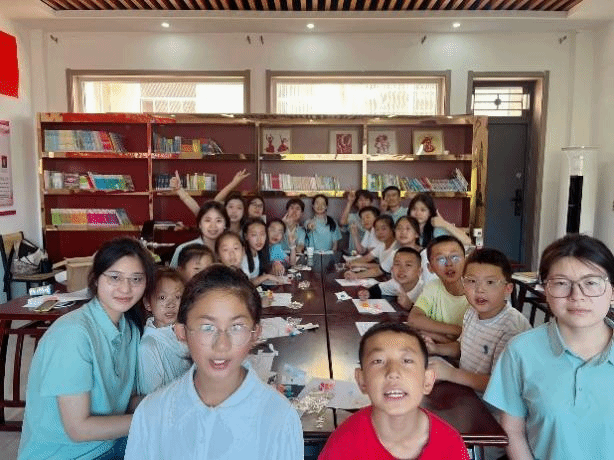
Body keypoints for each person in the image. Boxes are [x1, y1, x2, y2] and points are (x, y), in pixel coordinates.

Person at [125, 264, 303, 459]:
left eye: (236, 327)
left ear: (255, 334)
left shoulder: (280, 417)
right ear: (182, 332)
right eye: (207, 327)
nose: (222, 345)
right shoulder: (151, 415)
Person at [18, 237, 156, 460]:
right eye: (114, 277)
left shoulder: (129, 329)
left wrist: (171, 403)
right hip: (68, 455)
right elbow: (79, 429)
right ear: (95, 278)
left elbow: (125, 401)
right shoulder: (73, 335)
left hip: (109, 443)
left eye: (136, 279)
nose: (125, 288)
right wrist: (155, 420)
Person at [484, 234, 614, 460]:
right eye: (561, 283)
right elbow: (513, 430)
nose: (577, 296)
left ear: (612, 291)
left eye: (591, 283)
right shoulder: (521, 351)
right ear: (545, 290)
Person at [318, 322, 469, 460]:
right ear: (361, 380)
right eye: (378, 361)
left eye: (407, 361)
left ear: (428, 380)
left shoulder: (451, 444)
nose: (393, 372)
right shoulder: (342, 445)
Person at [426, 248, 531, 393]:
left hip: (490, 404)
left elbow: (500, 385)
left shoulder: (511, 328)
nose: (480, 289)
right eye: (472, 281)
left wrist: (451, 373)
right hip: (467, 391)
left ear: (508, 289)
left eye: (490, 282)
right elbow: (463, 347)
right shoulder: (471, 312)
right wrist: (436, 349)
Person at [138, 267, 191, 395]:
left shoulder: (188, 329)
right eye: (162, 297)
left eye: (178, 297)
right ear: (148, 303)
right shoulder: (148, 345)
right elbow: (152, 395)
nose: (171, 304)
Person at [407, 235, 470, 343]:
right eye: (441, 259)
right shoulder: (433, 287)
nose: (449, 264)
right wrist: (458, 330)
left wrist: (431, 332)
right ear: (430, 268)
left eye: (455, 257)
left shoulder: (476, 293)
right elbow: (414, 319)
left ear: (466, 261)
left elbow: (472, 338)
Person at [358, 247, 424, 311]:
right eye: (397, 264)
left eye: (408, 265)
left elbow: (427, 315)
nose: (402, 270)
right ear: (392, 269)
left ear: (419, 271)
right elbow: (378, 288)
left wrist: (410, 306)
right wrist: (367, 293)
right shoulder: (395, 283)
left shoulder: (424, 289)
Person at [169, 168, 250, 218]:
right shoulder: (220, 223)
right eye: (231, 207)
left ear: (244, 211)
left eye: (239, 208)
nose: (234, 211)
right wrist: (179, 190)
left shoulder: (247, 229)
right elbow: (216, 201)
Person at [170, 200, 229, 267]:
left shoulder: (232, 250)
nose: (213, 226)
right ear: (200, 224)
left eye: (218, 221)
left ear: (225, 224)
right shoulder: (184, 249)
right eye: (207, 220)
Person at [344, 215, 397, 280]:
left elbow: (378, 270)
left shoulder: (396, 248)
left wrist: (356, 274)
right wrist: (351, 262)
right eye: (377, 229)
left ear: (392, 229)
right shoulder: (382, 244)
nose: (380, 232)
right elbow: (367, 258)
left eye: (384, 229)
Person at [241, 218, 282, 286]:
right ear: (246, 236)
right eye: (254, 235)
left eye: (262, 234)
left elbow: (261, 273)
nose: (259, 239)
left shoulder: (260, 253)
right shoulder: (243, 256)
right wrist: (267, 276)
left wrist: (275, 269)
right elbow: (246, 284)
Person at [340, 189, 374, 254]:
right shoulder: (352, 217)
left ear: (370, 202)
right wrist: (350, 202)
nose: (363, 202)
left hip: (370, 255)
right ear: (356, 203)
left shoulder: (375, 218)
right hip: (353, 254)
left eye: (366, 200)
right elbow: (342, 222)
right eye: (360, 200)